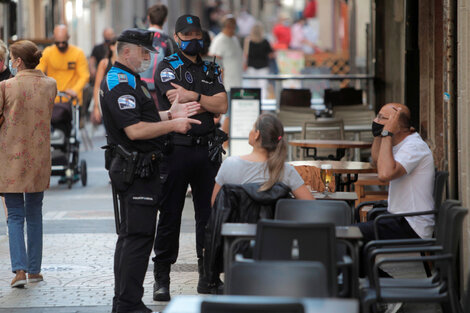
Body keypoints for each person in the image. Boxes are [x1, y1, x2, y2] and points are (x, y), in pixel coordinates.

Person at [100, 28, 201, 313]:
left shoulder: (129, 79)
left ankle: (124, 301)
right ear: (127, 50)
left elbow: (140, 117)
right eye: (144, 52)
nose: (148, 57)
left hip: (140, 167)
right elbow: (135, 130)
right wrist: (173, 126)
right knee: (138, 239)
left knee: (132, 237)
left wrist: (170, 115)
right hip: (136, 169)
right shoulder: (120, 82)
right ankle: (129, 304)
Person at [153, 14, 228, 301]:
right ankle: (162, 279)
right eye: (187, 35)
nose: (194, 39)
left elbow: (222, 103)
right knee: (170, 213)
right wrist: (205, 100)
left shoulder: (212, 67)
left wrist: (193, 94)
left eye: (197, 34)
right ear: (177, 36)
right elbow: (175, 98)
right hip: (176, 149)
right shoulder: (167, 66)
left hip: (207, 150)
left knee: (208, 216)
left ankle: (208, 277)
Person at [0, 40, 57, 288]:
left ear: (19, 62)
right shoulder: (50, 84)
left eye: (12, 59)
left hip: (10, 157)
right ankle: (35, 269)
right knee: (35, 213)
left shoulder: (5, 86)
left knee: (14, 215)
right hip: (39, 157)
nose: (11, 63)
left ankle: (20, 271)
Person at [357, 103, 435, 277]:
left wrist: (386, 133)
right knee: (352, 236)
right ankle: (376, 284)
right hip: (399, 218)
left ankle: (383, 287)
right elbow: (377, 163)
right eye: (376, 116)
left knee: (349, 237)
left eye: (381, 118)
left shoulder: (414, 147)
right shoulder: (402, 143)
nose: (375, 121)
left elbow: (385, 174)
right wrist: (379, 134)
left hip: (412, 224)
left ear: (398, 126)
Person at [212, 113, 314, 204]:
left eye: (253, 127)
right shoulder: (285, 170)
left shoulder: (230, 164)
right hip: (272, 225)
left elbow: (214, 204)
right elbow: (311, 204)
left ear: (257, 134)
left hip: (236, 225)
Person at [37, 24, 90, 107]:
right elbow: (38, 71)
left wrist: (75, 90)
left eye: (63, 42)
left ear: (68, 37)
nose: (61, 45)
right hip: (53, 99)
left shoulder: (78, 53)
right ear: (54, 38)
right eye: (58, 42)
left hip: (72, 100)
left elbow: (84, 76)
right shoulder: (47, 52)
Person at [140, 4, 177, 107]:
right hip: (160, 91)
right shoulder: (169, 42)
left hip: (139, 88)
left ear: (148, 18)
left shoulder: (138, 38)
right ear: (165, 19)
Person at [208, 14, 243, 94]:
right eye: (232, 26)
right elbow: (214, 62)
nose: (234, 28)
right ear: (227, 26)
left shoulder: (234, 39)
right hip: (226, 85)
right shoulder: (219, 41)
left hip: (237, 83)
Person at [243, 23, 274, 99]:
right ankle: (262, 105)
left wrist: (244, 64)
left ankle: (254, 103)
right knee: (263, 86)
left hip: (251, 66)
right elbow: (271, 54)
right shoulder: (265, 42)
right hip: (263, 66)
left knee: (252, 86)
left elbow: (245, 54)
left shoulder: (248, 41)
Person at [91, 37, 117, 125]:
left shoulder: (125, 63)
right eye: (118, 46)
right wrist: (96, 107)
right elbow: (97, 86)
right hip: (106, 102)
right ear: (112, 47)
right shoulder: (105, 63)